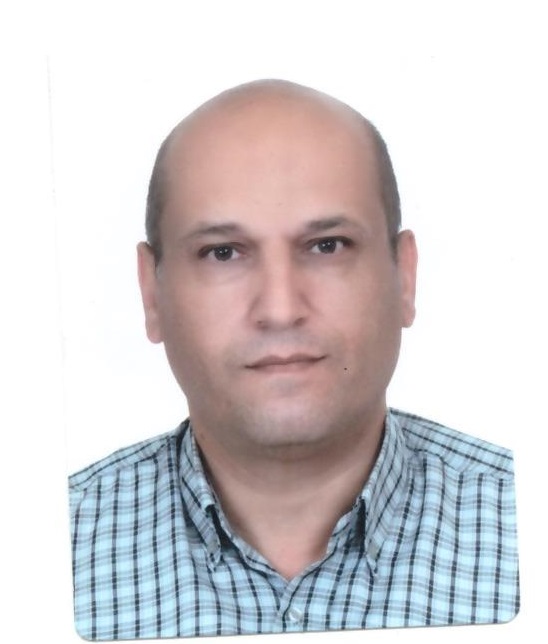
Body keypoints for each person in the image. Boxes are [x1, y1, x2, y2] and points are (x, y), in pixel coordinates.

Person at [69, 79, 519, 640]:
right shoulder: (38, 554)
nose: (280, 310)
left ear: (404, 277)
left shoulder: (526, 525)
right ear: (151, 293)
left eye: (328, 245)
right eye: (222, 252)